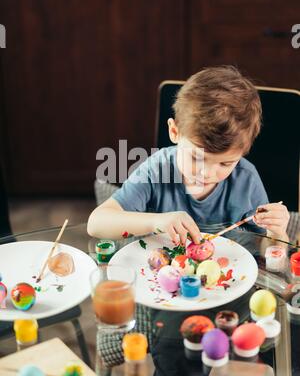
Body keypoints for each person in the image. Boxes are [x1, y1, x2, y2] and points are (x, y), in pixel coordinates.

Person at [88, 66, 290, 243]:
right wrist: (157, 221)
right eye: (196, 157)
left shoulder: (247, 179)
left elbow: (269, 254)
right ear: (174, 132)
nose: (207, 173)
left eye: (225, 164)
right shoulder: (156, 170)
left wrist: (277, 233)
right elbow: (96, 224)